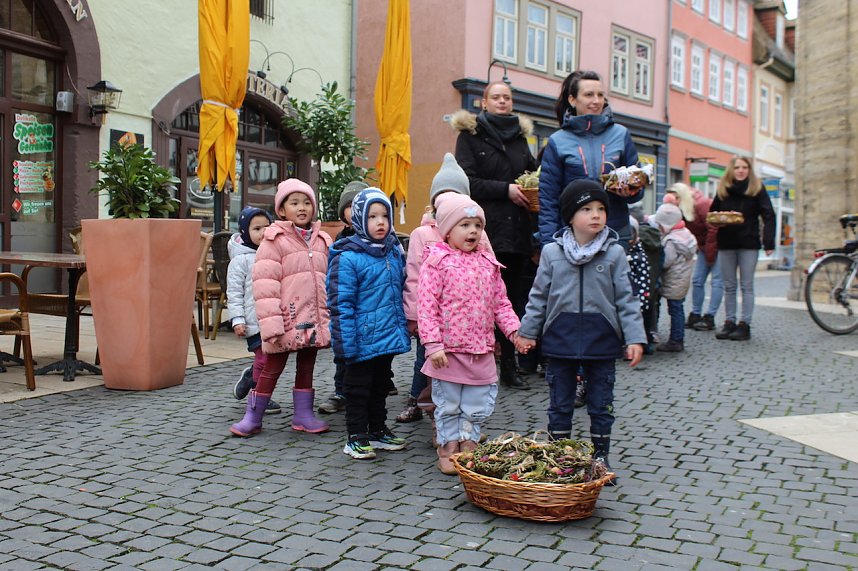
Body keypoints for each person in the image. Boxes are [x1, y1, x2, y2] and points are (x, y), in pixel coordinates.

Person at [517, 179, 646, 484]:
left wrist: (635, 337)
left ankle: (600, 455)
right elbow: (538, 296)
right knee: (560, 403)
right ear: (570, 216)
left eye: (601, 208)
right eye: (587, 209)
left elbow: (626, 299)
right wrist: (527, 332)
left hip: (602, 340)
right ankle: (558, 456)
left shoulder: (614, 253)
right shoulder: (552, 252)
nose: (596, 215)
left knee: (601, 403)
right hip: (560, 338)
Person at [417, 193, 520, 474]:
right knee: (449, 402)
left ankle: (468, 440)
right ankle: (449, 443)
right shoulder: (437, 262)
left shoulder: (488, 264)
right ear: (448, 231)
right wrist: (433, 344)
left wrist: (515, 331)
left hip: (481, 349)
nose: (473, 231)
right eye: (464, 225)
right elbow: (427, 307)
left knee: (475, 402)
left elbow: (501, 304)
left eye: (477, 225)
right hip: (448, 352)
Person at [451, 81, 537, 390]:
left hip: (517, 232)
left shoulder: (519, 138)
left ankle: (510, 368)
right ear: (484, 103)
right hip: (483, 231)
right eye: (496, 97)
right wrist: (506, 190)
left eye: (507, 98)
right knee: (478, 300)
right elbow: (466, 181)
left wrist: (530, 185)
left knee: (511, 301)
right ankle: (475, 362)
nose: (502, 102)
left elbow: (531, 173)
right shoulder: (470, 136)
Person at [229, 179, 332, 437]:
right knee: (271, 368)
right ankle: (253, 416)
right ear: (282, 210)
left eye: (307, 202)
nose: (302, 208)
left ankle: (303, 414)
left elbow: (329, 280)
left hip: (312, 319)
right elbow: (265, 287)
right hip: (286, 319)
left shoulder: (322, 240)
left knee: (307, 366)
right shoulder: (273, 240)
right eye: (294, 202)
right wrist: (271, 325)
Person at [397, 153, 493, 425]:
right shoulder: (421, 234)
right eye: (444, 194)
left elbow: (490, 271)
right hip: (431, 319)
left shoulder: (478, 233)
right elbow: (414, 277)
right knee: (423, 361)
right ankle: (416, 401)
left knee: (457, 370)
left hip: (464, 322)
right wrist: (414, 315)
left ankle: (455, 418)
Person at [327, 188, 411, 460]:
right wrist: (345, 343)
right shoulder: (347, 256)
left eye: (385, 215)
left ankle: (377, 430)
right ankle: (356, 436)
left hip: (384, 336)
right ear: (359, 220)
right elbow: (341, 303)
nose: (380, 222)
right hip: (360, 339)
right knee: (358, 389)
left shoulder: (391, 252)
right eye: (373, 216)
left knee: (380, 386)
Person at [539, 70, 643, 251]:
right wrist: (548, 244)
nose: (596, 101)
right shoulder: (558, 140)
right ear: (572, 100)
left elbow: (639, 190)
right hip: (572, 236)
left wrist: (632, 191)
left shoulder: (621, 134)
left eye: (600, 95)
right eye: (588, 95)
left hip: (614, 233)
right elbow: (548, 198)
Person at [709, 155, 776, 341]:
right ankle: (729, 322)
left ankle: (744, 324)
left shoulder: (756, 189)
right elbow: (712, 214)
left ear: (749, 170)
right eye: (737, 167)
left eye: (744, 167)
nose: (740, 170)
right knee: (729, 286)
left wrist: (768, 242)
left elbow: (769, 215)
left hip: (748, 243)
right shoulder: (724, 190)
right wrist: (718, 219)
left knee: (746, 285)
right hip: (726, 242)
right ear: (732, 169)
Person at [318, 181, 368, 415]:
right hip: (346, 303)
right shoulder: (340, 239)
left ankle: (373, 388)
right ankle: (341, 391)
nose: (354, 209)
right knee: (343, 349)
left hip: (369, 305)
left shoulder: (380, 237)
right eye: (349, 205)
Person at [229, 206, 282, 415]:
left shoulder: (275, 254)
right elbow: (234, 292)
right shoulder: (240, 260)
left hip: (273, 319)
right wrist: (237, 319)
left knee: (271, 360)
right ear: (245, 232)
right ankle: (259, 395)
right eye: (256, 228)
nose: (262, 233)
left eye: (267, 227)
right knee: (263, 359)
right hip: (253, 321)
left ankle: (251, 377)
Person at [664, 183, 722, 331]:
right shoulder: (682, 209)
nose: (674, 200)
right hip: (704, 247)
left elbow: (713, 228)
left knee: (716, 282)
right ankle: (696, 314)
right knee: (697, 281)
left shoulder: (702, 204)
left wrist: (710, 254)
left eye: (676, 197)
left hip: (719, 245)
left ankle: (710, 317)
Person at [653, 203, 697, 352]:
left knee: (674, 309)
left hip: (673, 279)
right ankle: (677, 338)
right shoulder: (687, 235)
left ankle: (675, 340)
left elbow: (666, 262)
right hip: (683, 279)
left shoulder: (671, 240)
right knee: (678, 308)